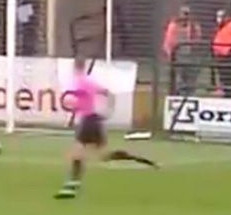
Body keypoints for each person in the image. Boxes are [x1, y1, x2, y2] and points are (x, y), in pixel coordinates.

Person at [55, 58, 159, 199]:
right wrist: (108, 109)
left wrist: (74, 101)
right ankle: (137, 158)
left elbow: (71, 97)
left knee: (77, 153)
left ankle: (71, 186)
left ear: (74, 67)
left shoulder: (79, 82)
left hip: (88, 120)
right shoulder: (88, 82)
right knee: (103, 155)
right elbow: (105, 92)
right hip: (94, 119)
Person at [164, 5, 202, 94]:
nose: (185, 16)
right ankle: (178, 96)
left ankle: (189, 95)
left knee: (191, 79)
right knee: (178, 79)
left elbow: (198, 39)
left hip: (191, 56)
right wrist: (170, 55)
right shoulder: (173, 25)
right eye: (184, 13)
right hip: (178, 56)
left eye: (187, 14)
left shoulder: (193, 26)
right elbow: (168, 41)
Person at [211, 9, 231, 97]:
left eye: (221, 17)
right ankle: (225, 90)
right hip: (220, 54)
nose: (219, 19)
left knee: (230, 74)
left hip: (229, 53)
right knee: (223, 74)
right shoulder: (219, 27)